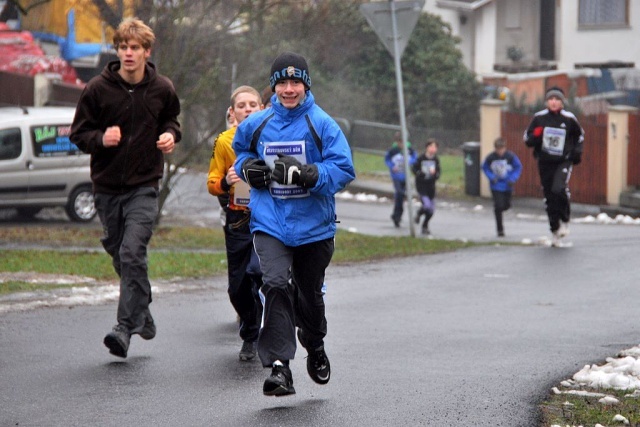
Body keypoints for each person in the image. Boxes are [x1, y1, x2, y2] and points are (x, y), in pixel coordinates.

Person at [232, 52, 355, 396]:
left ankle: (314, 344)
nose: (289, 89)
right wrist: (248, 169)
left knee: (309, 295)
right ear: (273, 87)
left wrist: (309, 174)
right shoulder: (257, 123)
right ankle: (279, 367)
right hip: (270, 222)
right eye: (282, 83)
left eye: (295, 82)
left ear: (306, 85)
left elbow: (344, 169)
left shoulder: (322, 124)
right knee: (274, 283)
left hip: (314, 227)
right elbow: (240, 152)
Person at [70, 18, 181, 358]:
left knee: (132, 253)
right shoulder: (97, 89)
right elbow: (78, 134)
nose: (128, 53)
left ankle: (123, 328)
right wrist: (101, 138)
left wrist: (170, 135)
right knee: (121, 255)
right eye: (123, 47)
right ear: (117, 50)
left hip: (144, 186)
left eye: (135, 48)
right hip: (106, 187)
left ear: (147, 51)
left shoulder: (162, 88)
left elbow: (172, 121)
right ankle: (141, 309)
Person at [207, 85, 264, 361]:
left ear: (262, 109)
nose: (248, 109)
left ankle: (255, 335)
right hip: (238, 217)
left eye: (253, 105)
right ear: (232, 112)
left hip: (268, 215)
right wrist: (225, 181)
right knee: (237, 287)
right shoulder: (224, 142)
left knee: (260, 272)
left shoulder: (273, 137)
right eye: (242, 106)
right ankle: (250, 325)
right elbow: (211, 183)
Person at [524, 86, 584, 247]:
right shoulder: (539, 118)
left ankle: (565, 218)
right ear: (546, 102)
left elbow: (579, 137)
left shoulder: (569, 119)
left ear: (562, 102)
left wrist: (575, 154)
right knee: (549, 196)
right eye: (551, 99)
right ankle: (555, 230)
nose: (554, 102)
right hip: (545, 161)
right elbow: (528, 140)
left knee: (559, 188)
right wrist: (536, 135)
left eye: (557, 99)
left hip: (563, 161)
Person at [482, 137, 522, 237]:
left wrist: (513, 179)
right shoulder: (491, 157)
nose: (500, 151)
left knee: (506, 205)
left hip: (507, 185)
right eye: (498, 149)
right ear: (495, 148)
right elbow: (484, 167)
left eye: (501, 149)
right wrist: (491, 177)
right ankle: (500, 229)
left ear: (505, 148)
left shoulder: (510, 156)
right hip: (496, 186)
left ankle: (504, 208)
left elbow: (518, 167)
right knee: (498, 206)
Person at [385, 131, 416, 227]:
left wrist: (410, 162)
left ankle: (397, 215)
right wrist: (392, 166)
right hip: (396, 176)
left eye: (403, 142)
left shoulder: (409, 149)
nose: (401, 144)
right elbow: (387, 159)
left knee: (401, 196)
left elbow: (414, 157)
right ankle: (397, 215)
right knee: (399, 193)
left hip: (405, 176)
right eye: (400, 142)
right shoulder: (393, 150)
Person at [411, 138, 440, 235]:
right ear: (427, 147)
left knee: (431, 210)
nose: (433, 149)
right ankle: (419, 213)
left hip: (431, 186)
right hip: (422, 185)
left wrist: (435, 175)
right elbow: (414, 168)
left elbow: (438, 172)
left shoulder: (436, 159)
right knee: (427, 205)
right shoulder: (421, 158)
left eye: (435, 147)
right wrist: (420, 173)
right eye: (431, 146)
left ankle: (425, 226)